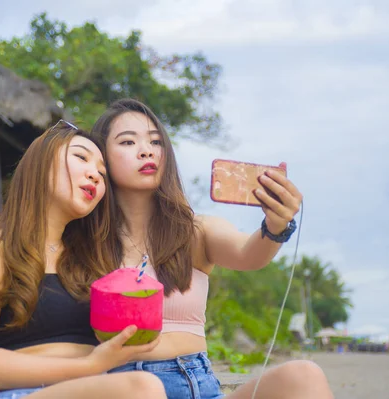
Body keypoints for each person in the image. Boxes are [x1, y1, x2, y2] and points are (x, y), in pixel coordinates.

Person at [90, 99, 334, 399]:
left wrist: (275, 225)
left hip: (199, 386)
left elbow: (249, 253)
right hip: (123, 388)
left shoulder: (194, 230)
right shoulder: (84, 243)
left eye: (156, 141)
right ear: (100, 158)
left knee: (304, 375)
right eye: (128, 141)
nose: (146, 150)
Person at [0, 121, 167, 399]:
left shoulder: (92, 265)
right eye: (81, 157)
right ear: (39, 164)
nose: (96, 176)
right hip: (16, 393)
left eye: (102, 173)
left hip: (95, 388)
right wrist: (88, 365)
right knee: (142, 388)